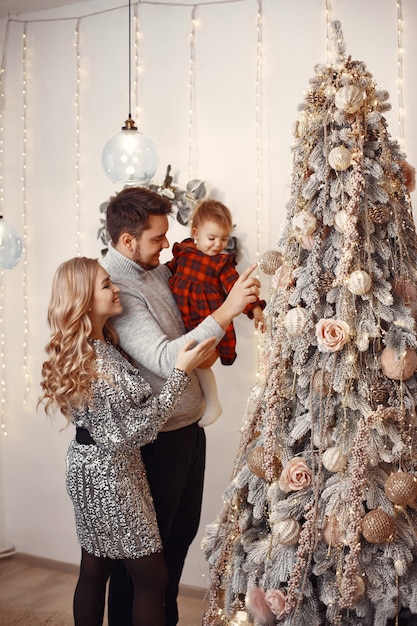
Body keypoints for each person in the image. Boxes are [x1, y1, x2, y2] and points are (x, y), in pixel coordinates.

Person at [101, 186, 261, 626]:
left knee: (177, 542)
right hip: (157, 438)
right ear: (128, 241)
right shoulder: (118, 287)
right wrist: (228, 311)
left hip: (187, 427)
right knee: (145, 560)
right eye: (157, 238)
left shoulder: (154, 269)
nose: (167, 245)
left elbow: (187, 330)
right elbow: (163, 356)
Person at [38, 257, 217, 626]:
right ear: (85, 300)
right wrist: (180, 373)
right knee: (152, 577)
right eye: (106, 285)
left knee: (95, 568)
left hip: (91, 467)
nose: (116, 288)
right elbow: (134, 431)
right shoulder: (96, 361)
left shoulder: (100, 347)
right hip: (111, 476)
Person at [166, 198, 266, 427]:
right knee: (181, 362)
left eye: (223, 239)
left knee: (200, 361)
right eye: (212, 238)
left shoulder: (221, 265)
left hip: (205, 320)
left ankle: (212, 402)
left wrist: (256, 308)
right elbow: (165, 274)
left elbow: (236, 286)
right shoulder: (183, 252)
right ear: (195, 233)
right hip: (179, 317)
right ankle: (191, 402)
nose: (217, 244)